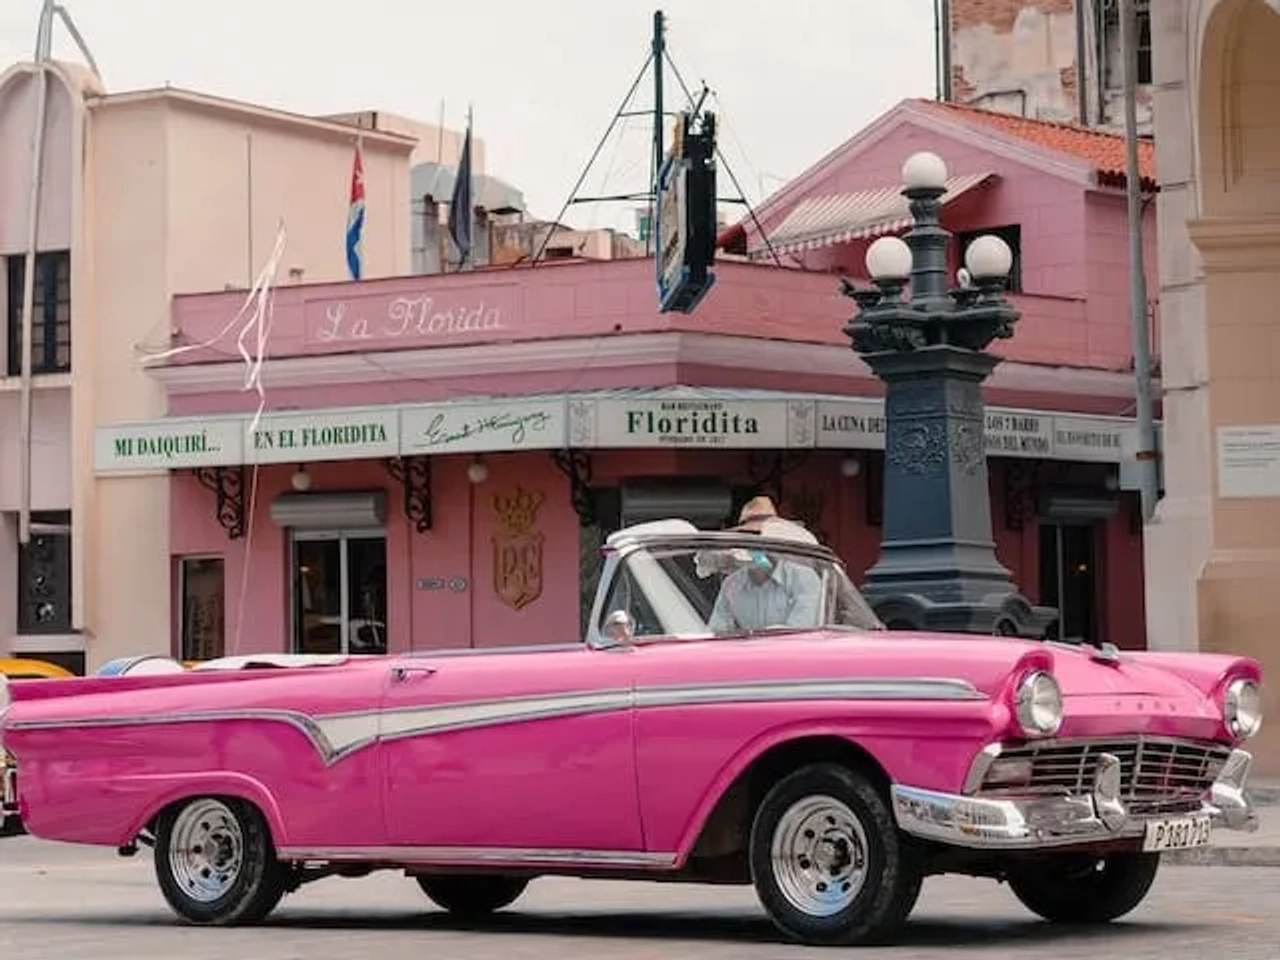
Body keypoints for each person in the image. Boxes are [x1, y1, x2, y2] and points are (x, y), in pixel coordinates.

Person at [706, 497, 822, 633]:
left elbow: (799, 634)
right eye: (750, 539)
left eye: (763, 538)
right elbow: (717, 631)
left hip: (793, 653)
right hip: (745, 653)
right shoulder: (732, 584)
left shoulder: (804, 578)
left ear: (777, 539)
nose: (757, 546)